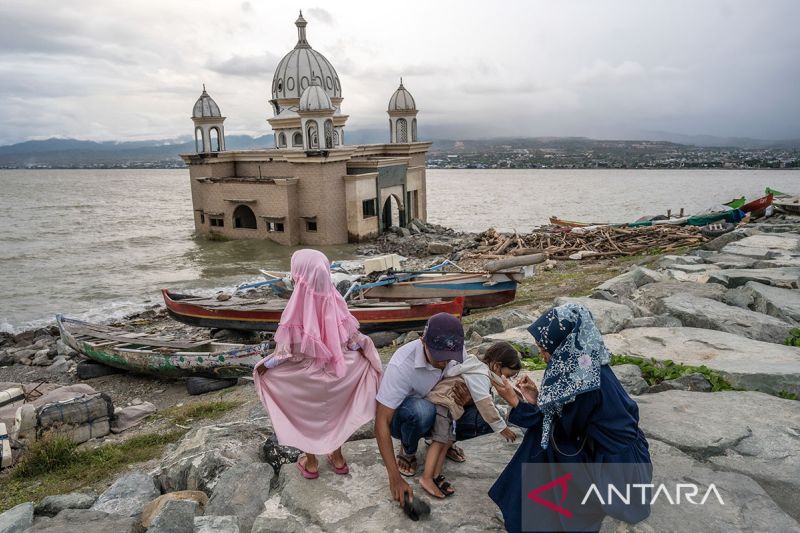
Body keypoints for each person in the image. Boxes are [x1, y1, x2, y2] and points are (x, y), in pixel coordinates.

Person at [489, 303, 652, 533]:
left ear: (562, 343)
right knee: (543, 436)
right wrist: (537, 399)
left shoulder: (583, 383)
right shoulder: (585, 364)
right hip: (618, 458)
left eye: (544, 347)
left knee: (541, 440)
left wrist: (516, 403)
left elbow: (561, 428)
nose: (542, 354)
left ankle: (522, 510)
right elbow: (566, 416)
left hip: (617, 475)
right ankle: (518, 500)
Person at [253, 249, 383, 479]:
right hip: (340, 375)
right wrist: (364, 350)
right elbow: (352, 342)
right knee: (334, 412)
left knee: (307, 414)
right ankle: (338, 457)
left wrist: (266, 366)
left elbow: (286, 353)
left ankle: (311, 462)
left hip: (308, 379)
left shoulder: (295, 307)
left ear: (299, 275)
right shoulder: (336, 301)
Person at [374, 312, 495, 505]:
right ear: (423, 341)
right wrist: (394, 478)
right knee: (422, 411)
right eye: (439, 357)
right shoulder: (401, 364)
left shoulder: (457, 350)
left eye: (449, 357)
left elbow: (476, 384)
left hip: (444, 410)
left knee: (490, 414)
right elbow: (381, 420)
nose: (444, 362)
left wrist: (468, 398)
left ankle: (444, 441)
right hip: (408, 418)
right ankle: (408, 450)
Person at [420, 341, 522, 499]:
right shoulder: (481, 374)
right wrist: (502, 428)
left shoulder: (477, 367)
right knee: (440, 441)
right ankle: (426, 478)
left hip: (449, 408)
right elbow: (485, 404)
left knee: (447, 441)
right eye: (507, 375)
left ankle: (436, 475)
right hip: (442, 404)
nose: (506, 380)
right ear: (496, 366)